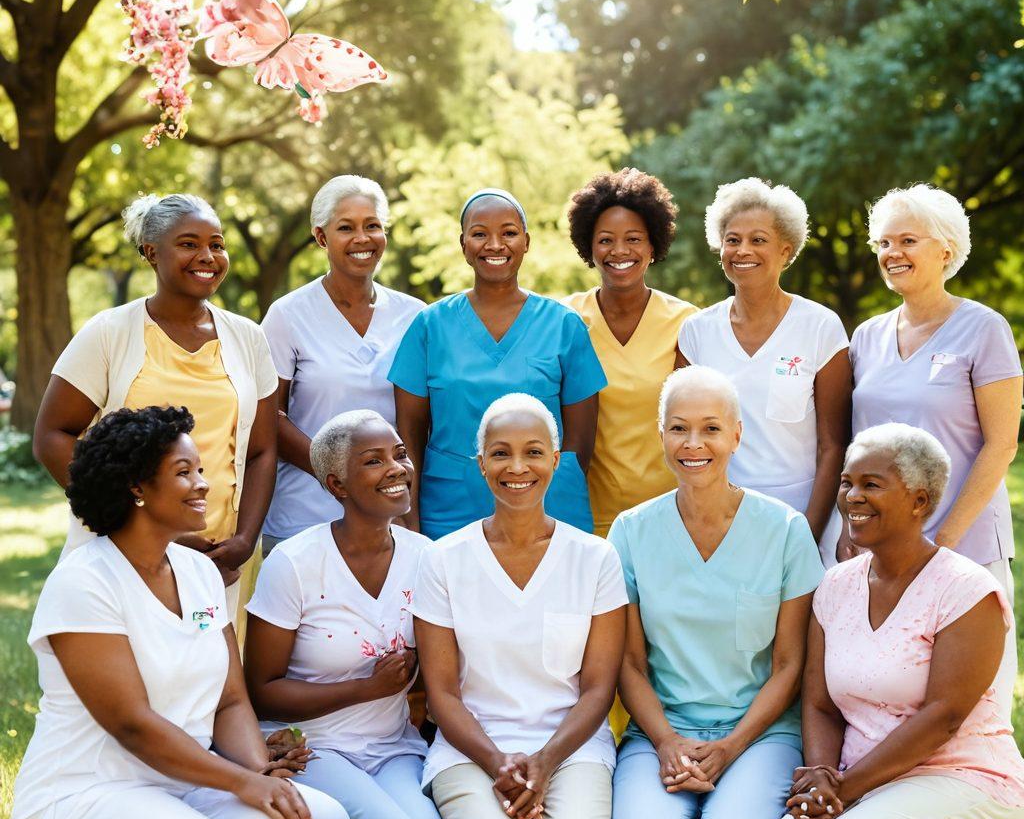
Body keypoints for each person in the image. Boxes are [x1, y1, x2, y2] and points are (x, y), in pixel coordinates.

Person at [10, 407, 349, 819]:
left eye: (201, 469)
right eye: (184, 472)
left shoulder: (198, 573)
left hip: (183, 784)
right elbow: (131, 723)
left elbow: (231, 700)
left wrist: (259, 774)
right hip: (82, 796)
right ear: (136, 488)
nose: (204, 484)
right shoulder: (86, 582)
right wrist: (241, 781)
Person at [761, 423, 1024, 819]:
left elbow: (944, 716)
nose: (852, 497)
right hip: (863, 784)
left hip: (967, 782)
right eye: (847, 482)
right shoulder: (836, 585)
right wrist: (822, 774)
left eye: (871, 484)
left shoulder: (965, 590)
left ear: (920, 500)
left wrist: (843, 788)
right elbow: (819, 704)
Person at [607, 366, 824, 819]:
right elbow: (628, 664)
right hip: (661, 732)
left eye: (710, 428)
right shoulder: (630, 532)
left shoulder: (785, 530)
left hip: (761, 733)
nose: (693, 443)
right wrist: (666, 741)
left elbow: (790, 666)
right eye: (679, 428)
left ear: (736, 435)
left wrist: (730, 746)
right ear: (661, 436)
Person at [414, 393, 627, 819]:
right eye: (500, 453)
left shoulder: (595, 558)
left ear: (555, 459)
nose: (517, 467)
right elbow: (442, 694)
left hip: (573, 749)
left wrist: (545, 761)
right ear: (480, 463)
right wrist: (497, 761)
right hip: (471, 749)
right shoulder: (443, 560)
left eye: (533, 451)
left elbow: (598, 690)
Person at [244, 410, 448, 819]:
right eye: (374, 461)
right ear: (336, 484)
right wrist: (365, 688)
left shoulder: (427, 558)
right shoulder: (295, 563)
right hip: (311, 748)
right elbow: (260, 692)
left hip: (393, 746)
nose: (397, 468)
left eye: (400, 454)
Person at [32, 194, 278, 614]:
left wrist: (243, 540)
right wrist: (131, 520)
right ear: (151, 253)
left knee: (214, 654)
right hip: (126, 545)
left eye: (217, 244)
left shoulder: (248, 338)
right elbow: (52, 436)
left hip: (220, 555)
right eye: (189, 244)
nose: (208, 256)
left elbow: (262, 450)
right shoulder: (109, 332)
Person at [847, 183, 1022, 713]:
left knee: (973, 704)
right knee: (887, 699)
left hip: (962, 544)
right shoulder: (866, 337)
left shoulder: (984, 329)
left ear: (946, 250)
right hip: (883, 550)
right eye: (883, 243)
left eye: (908, 240)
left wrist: (940, 542)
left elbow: (1002, 445)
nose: (892, 253)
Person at [389, 188, 607, 539]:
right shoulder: (430, 326)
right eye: (479, 234)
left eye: (508, 233)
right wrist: (408, 516)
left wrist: (539, 492)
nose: (494, 245)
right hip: (450, 508)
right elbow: (409, 435)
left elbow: (579, 444)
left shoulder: (563, 325)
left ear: (526, 242)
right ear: (463, 245)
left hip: (547, 508)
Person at [677, 178, 850, 563]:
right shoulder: (696, 332)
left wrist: (808, 532)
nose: (743, 250)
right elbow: (681, 433)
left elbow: (834, 445)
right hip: (719, 519)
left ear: (786, 250)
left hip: (803, 515)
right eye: (732, 240)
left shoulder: (820, 327)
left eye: (758, 240)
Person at [260, 176, 425, 552]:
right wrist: (338, 473)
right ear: (321, 237)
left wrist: (404, 504)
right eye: (346, 228)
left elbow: (417, 423)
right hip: (304, 516)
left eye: (372, 226)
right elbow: (270, 416)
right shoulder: (287, 315)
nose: (362, 238)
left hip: (389, 516)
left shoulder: (414, 316)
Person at [564, 168, 698, 538]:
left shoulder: (687, 323)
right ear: (589, 247)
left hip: (670, 517)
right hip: (585, 518)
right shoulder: (566, 319)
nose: (619, 251)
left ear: (653, 245)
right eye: (605, 240)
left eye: (634, 239)